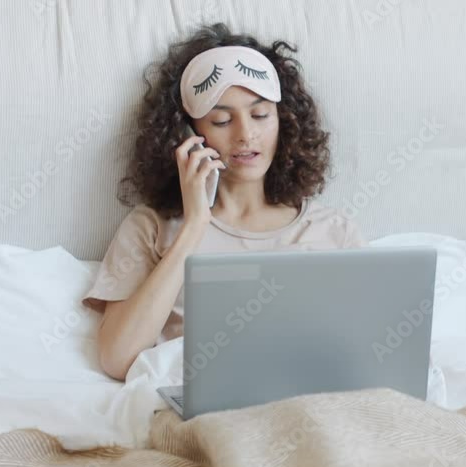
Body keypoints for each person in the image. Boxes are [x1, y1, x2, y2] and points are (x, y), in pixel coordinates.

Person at [82, 23, 367, 381]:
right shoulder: (150, 227)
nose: (245, 134)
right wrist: (194, 226)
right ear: (187, 133)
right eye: (221, 120)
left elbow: (369, 352)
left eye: (260, 115)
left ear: (284, 120)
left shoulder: (335, 231)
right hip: (206, 404)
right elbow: (117, 358)